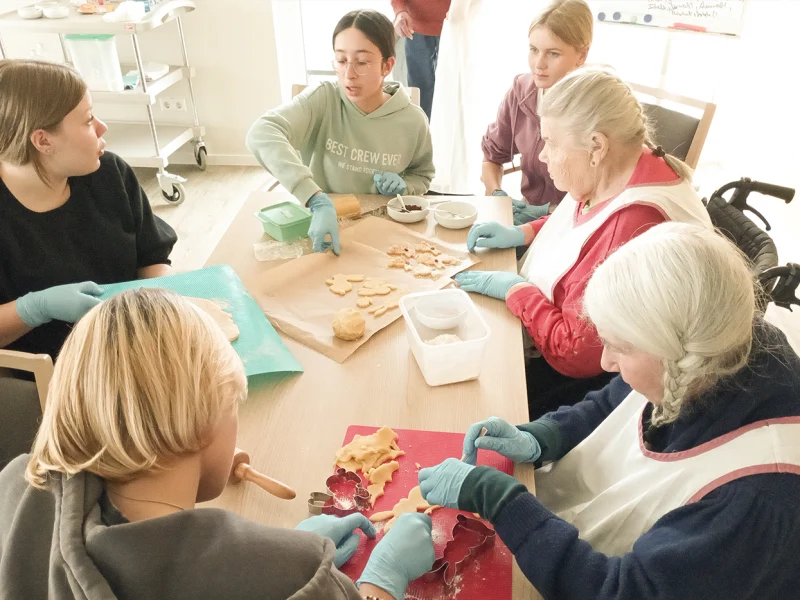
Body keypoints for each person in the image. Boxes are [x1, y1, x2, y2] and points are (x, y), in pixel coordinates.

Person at [420, 222, 800, 600]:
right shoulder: (697, 353)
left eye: (620, 347)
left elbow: (620, 591)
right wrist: (542, 437)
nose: (605, 362)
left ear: (678, 354)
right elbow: (609, 405)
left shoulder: (756, 500)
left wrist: (502, 502)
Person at [0, 288, 435, 600]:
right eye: (234, 409)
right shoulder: (293, 574)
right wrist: (379, 581)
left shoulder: (14, 487)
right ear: (204, 425)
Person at [457, 67, 712, 418]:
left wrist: (517, 290)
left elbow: (575, 353)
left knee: (468, 393)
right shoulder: (621, 163)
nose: (543, 155)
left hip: (601, 387)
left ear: (596, 146)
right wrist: (527, 231)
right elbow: (586, 218)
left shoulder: (637, 223)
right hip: (574, 347)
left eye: (551, 142)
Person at [0, 59, 177, 361]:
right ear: (43, 140)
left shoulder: (110, 173)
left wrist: (154, 309)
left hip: (132, 350)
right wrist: (35, 308)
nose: (102, 127)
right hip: (47, 379)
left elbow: (153, 257)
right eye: (88, 120)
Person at [247, 9, 434, 255]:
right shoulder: (323, 99)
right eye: (341, 60)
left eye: (362, 62)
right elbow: (262, 132)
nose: (349, 74)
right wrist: (314, 198)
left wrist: (404, 187)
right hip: (320, 229)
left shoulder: (413, 121)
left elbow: (422, 176)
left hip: (385, 238)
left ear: (387, 66)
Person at [481, 0, 592, 225]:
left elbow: (602, 197)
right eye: (533, 50)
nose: (538, 64)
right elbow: (491, 158)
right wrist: (496, 196)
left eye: (553, 53)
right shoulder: (520, 92)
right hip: (526, 219)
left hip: (576, 225)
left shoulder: (594, 105)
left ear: (582, 55)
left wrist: (550, 217)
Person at [392, 0, 452, 121]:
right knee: (420, 89)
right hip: (415, 25)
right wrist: (399, 10)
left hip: (456, 24)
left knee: (452, 90)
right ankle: (420, 133)